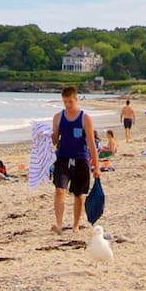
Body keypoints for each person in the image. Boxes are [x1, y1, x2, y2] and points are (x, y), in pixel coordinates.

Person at [49, 86, 99, 234]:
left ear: (76, 99)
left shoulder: (85, 118)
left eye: (70, 101)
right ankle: (59, 224)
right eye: (65, 102)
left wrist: (96, 167)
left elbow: (91, 144)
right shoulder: (58, 117)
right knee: (59, 190)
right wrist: (45, 135)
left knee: (79, 194)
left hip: (81, 159)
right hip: (63, 158)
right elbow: (54, 140)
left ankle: (76, 225)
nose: (67, 105)